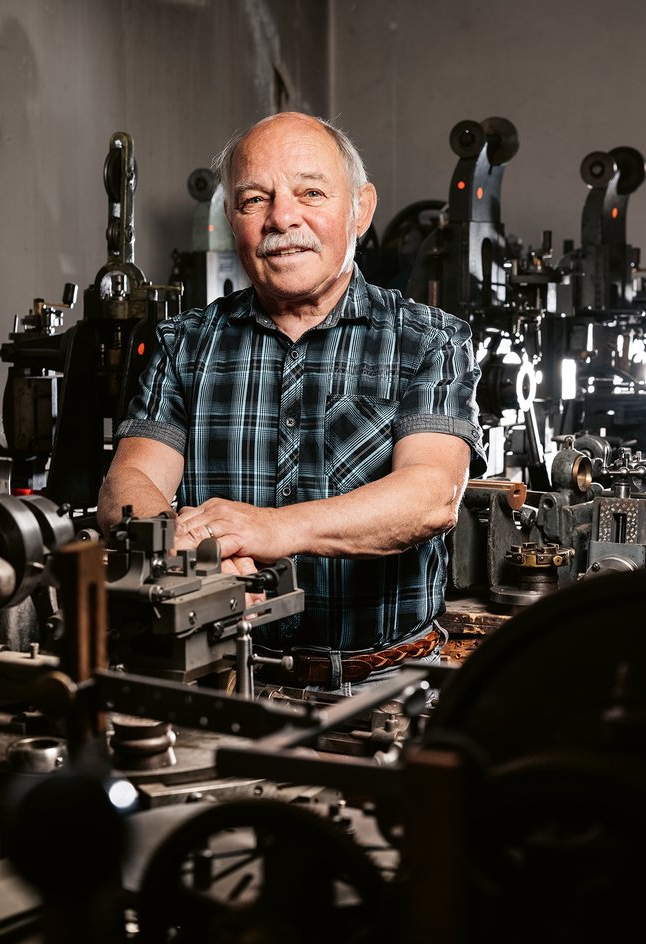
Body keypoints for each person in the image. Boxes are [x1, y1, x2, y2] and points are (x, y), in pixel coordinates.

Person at [97, 111, 487, 696]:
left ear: (361, 208)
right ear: (232, 218)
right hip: (222, 682)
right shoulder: (184, 345)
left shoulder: (428, 340)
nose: (284, 218)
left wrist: (274, 529)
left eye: (311, 192)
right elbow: (127, 480)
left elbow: (430, 498)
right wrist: (177, 543)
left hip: (384, 688)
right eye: (256, 199)